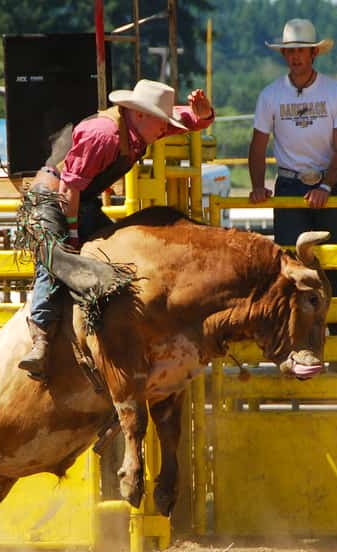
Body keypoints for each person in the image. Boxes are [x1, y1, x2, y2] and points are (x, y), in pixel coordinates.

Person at [17, 79, 215, 380]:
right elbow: (69, 187)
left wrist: (204, 114)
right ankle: (40, 338)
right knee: (57, 257)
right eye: (162, 122)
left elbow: (189, 120)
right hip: (53, 196)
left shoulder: (144, 126)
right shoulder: (104, 135)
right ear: (140, 114)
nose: (166, 128)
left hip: (80, 199)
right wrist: (71, 233)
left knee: (114, 252)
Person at [247, 18, 337, 335]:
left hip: (327, 181)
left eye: (301, 51)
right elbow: (257, 145)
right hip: (290, 185)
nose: (295, 57)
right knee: (291, 269)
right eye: (289, 51)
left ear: (313, 54)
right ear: (284, 55)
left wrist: (326, 184)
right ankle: (295, 342)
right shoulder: (270, 96)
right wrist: (257, 185)